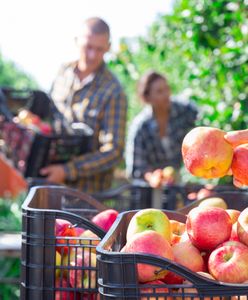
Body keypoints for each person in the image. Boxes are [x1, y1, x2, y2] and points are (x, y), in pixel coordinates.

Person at [40, 17, 127, 193]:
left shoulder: (113, 91)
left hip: (87, 195)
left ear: (108, 47)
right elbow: (47, 118)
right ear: (77, 41)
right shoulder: (62, 73)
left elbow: (113, 151)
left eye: (99, 49)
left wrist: (67, 170)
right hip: (49, 184)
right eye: (88, 47)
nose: (92, 55)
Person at [126, 70, 197, 187]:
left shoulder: (185, 110)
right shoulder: (140, 127)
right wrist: (153, 177)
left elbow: (204, 123)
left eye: (167, 89)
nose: (166, 94)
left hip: (189, 179)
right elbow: (137, 167)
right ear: (147, 97)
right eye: (159, 91)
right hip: (158, 189)